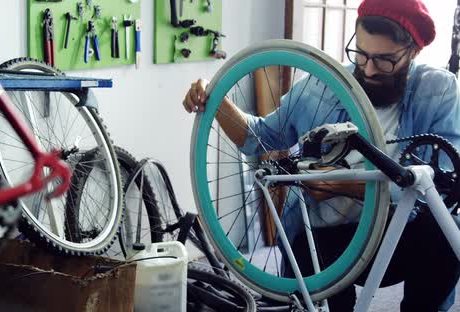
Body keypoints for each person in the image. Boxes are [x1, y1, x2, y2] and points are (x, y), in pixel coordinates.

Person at [182, 0, 460, 311]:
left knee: (446, 232)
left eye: (384, 61)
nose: (367, 70)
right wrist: (213, 96)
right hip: (324, 239)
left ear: (413, 53)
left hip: (396, 233)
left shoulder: (438, 90)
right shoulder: (321, 84)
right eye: (362, 55)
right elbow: (258, 137)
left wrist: (346, 186)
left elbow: (442, 184)